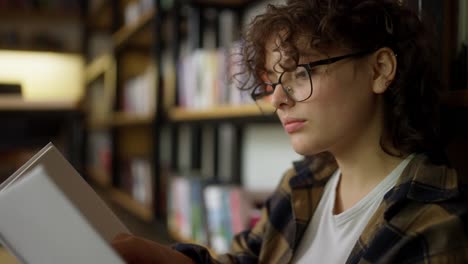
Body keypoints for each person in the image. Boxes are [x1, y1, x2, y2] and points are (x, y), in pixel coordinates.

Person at [112, 0, 468, 263]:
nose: (278, 100)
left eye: (301, 73)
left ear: (379, 69)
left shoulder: (432, 224)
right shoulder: (302, 184)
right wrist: (144, 253)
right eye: (272, 82)